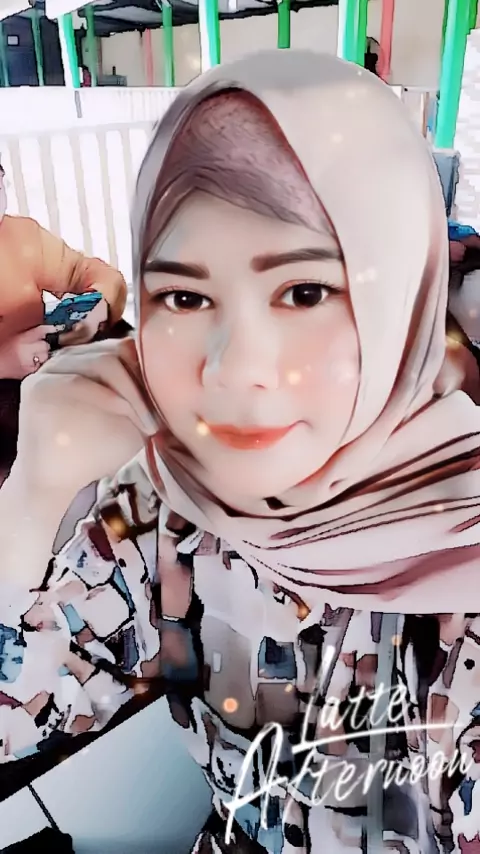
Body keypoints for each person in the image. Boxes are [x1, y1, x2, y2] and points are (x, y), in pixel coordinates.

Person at [2, 50, 480, 852]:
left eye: (304, 292)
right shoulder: (161, 508)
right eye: (186, 296)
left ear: (405, 300)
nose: (233, 366)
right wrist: (32, 499)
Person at [0, 159, 128, 483]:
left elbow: (86, 272)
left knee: (127, 349)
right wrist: (4, 361)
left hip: (43, 368)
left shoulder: (20, 236)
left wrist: (99, 304)